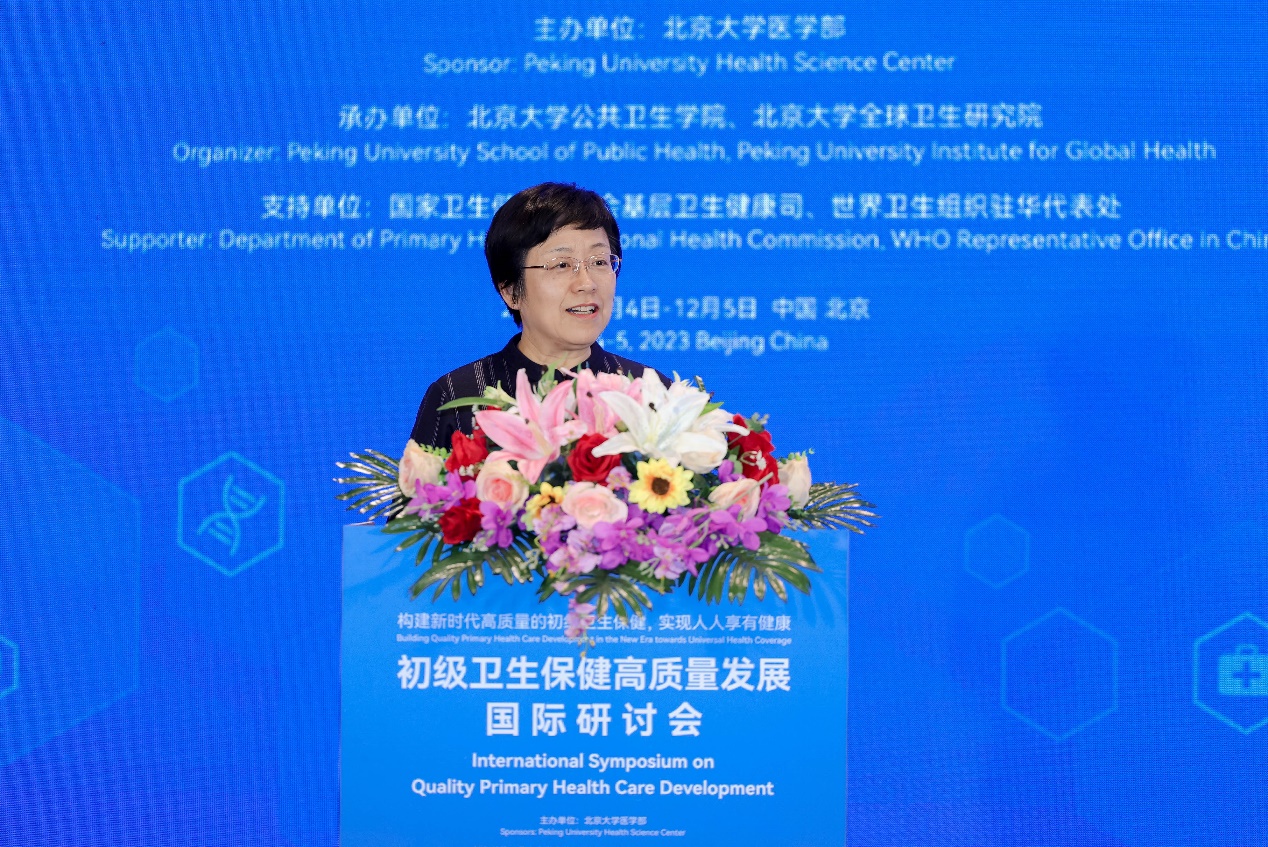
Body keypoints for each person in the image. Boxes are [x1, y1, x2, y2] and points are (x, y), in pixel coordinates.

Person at [409, 182, 666, 449]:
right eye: (562, 265)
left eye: (600, 262)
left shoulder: (651, 392)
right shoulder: (457, 397)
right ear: (511, 291)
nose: (587, 283)